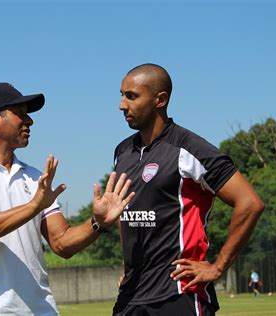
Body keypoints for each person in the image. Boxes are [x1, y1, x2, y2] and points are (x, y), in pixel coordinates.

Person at [0, 82, 135, 315]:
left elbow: (61, 243)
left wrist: (98, 223)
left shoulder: (34, 177)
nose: (30, 122)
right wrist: (34, 205)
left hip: (40, 309)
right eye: (21, 114)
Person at [112, 64, 265, 315]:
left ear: (160, 99)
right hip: (131, 295)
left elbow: (249, 203)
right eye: (121, 94)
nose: (122, 105)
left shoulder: (189, 148)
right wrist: (127, 268)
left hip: (179, 293)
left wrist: (217, 267)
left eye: (131, 96)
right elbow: (126, 213)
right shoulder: (122, 152)